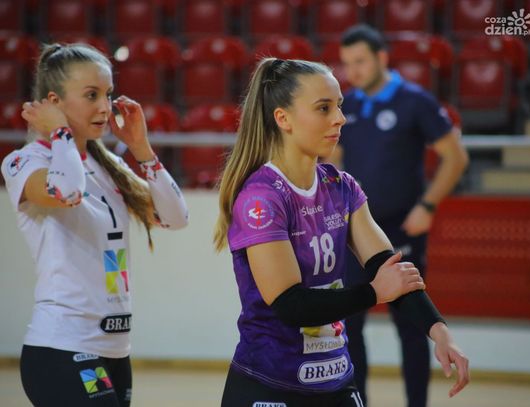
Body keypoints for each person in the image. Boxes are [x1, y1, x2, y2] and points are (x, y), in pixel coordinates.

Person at [213, 57, 469, 407]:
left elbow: (389, 269)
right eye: (324, 108)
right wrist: (373, 293)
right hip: (269, 383)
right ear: (283, 119)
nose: (340, 118)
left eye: (339, 106)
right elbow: (290, 304)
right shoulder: (262, 198)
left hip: (335, 381)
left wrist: (439, 331)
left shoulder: (341, 186)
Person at [0, 43, 189, 406]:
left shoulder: (107, 166)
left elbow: (176, 218)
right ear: (54, 102)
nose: (105, 107)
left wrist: (142, 150)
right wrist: (61, 133)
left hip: (115, 350)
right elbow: (67, 191)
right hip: (61, 347)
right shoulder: (25, 161)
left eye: (108, 94)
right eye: (91, 95)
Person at [327, 25, 470, 407]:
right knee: (349, 327)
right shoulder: (348, 105)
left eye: (360, 61)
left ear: (382, 58)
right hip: (354, 233)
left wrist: (427, 206)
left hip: (401, 228)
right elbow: (336, 159)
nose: (353, 71)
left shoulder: (415, 101)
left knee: (411, 325)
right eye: (347, 64)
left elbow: (455, 157)